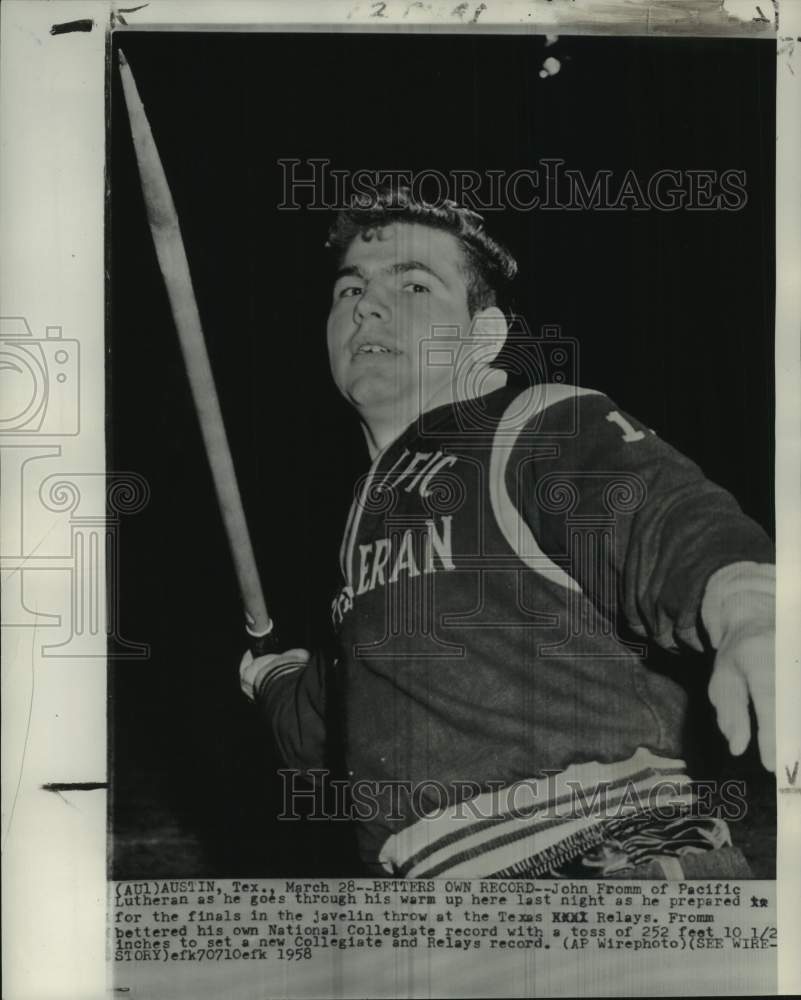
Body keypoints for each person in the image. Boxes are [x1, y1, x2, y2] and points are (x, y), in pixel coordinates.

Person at [240, 188, 775, 879]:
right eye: (350, 288)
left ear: (482, 335)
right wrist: (272, 679)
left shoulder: (531, 425)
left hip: (610, 880)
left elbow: (661, 520)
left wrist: (749, 605)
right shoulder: (365, 517)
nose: (365, 304)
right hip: (445, 921)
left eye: (413, 284)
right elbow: (332, 725)